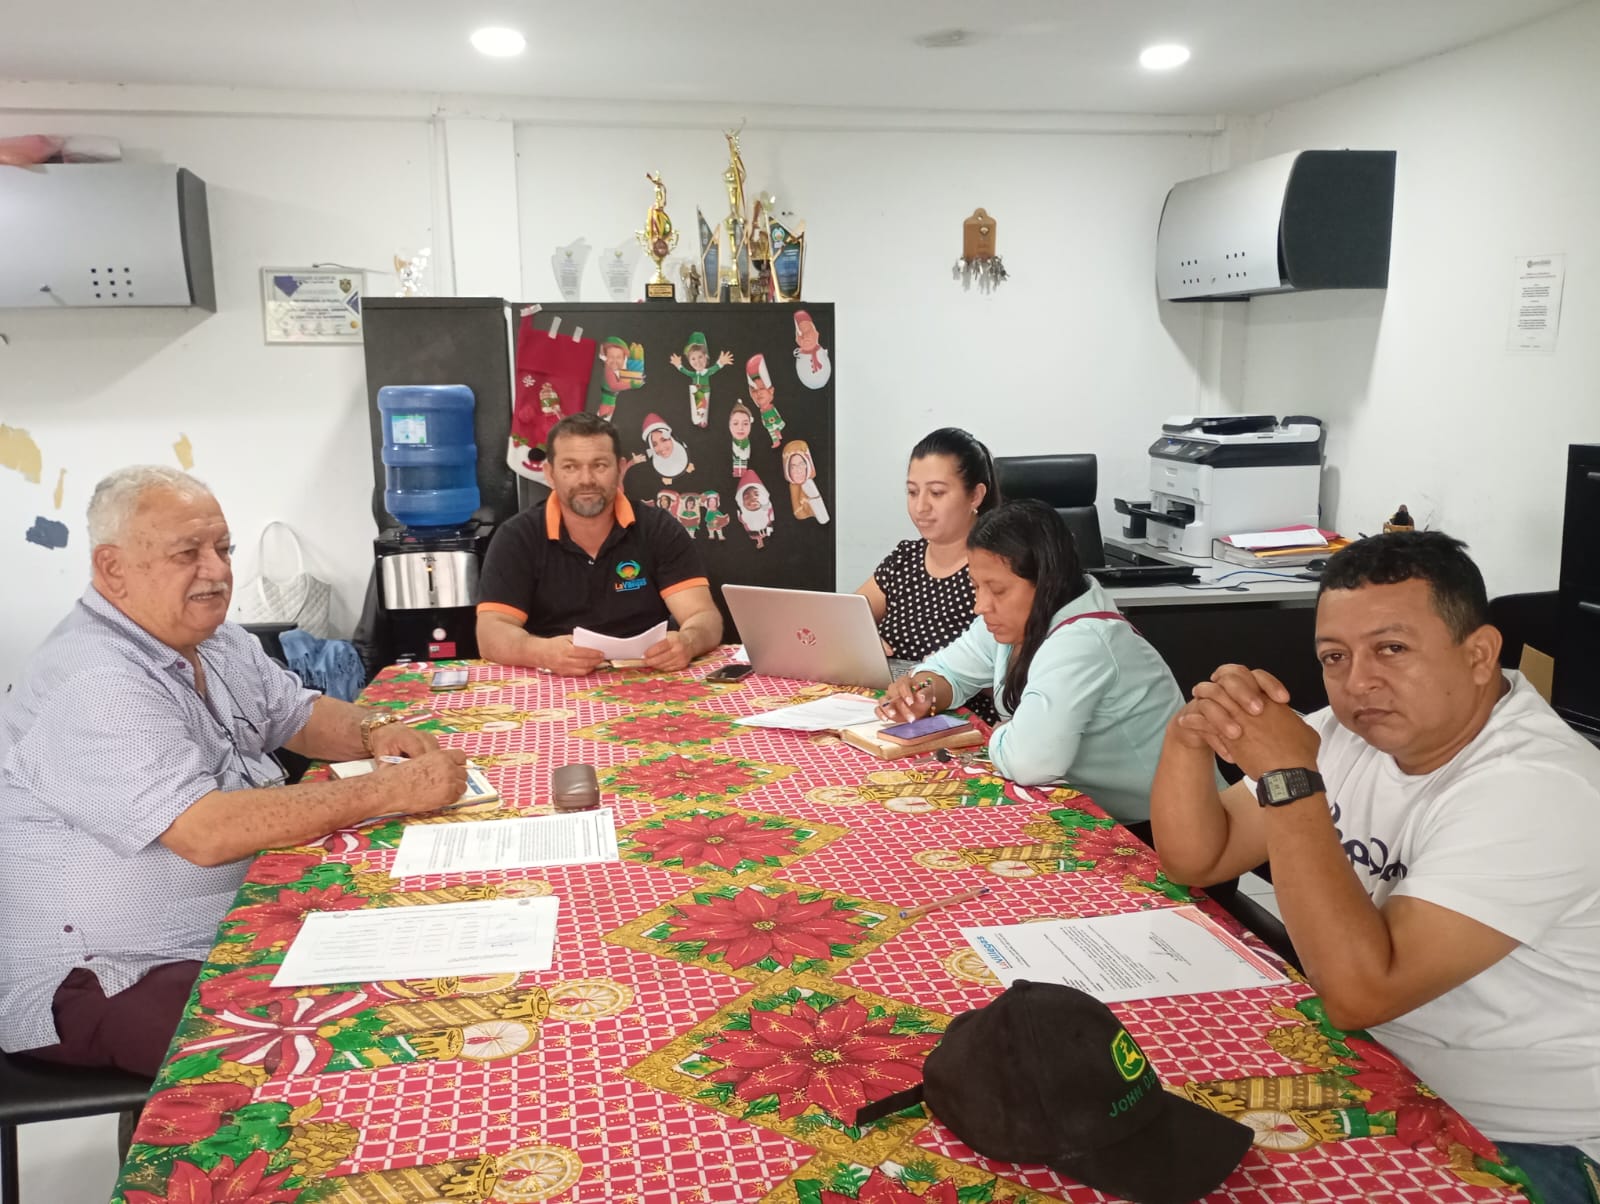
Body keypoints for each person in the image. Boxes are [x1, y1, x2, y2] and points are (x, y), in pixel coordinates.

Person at [1150, 532, 1600, 1196]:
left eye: (1391, 649)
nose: (1358, 683)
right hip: (1374, 1072)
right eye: (1335, 657)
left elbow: (1359, 994)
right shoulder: (1346, 734)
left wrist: (1290, 780)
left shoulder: (1540, 787)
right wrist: (1191, 735)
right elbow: (1200, 857)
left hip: (1515, 1137)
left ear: (1479, 655)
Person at [0, 467, 469, 1076]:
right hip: (114, 973)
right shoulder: (96, 679)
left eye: (223, 549)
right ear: (112, 568)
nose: (217, 570)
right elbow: (205, 831)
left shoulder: (213, 639)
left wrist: (374, 730)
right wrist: (387, 789)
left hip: (233, 925)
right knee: (354, 1048)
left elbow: (297, 714)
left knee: (430, 961)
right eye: (187, 554)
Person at [878, 499, 1187, 829]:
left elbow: (1029, 762)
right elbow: (949, 670)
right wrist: (924, 692)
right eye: (976, 587)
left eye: (997, 590)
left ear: (1046, 583)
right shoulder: (1015, 619)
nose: (980, 605)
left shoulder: (1084, 641)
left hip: (1156, 829)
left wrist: (1001, 732)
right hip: (1083, 810)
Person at [477, 412, 723, 675]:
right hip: (552, 681)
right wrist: (542, 652)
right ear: (549, 474)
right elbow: (491, 633)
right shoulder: (517, 536)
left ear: (620, 470)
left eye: (600, 465)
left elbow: (704, 617)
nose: (586, 479)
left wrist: (687, 642)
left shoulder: (659, 528)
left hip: (649, 679)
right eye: (570, 467)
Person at [857, 427, 998, 663]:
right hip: (890, 685)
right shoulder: (905, 558)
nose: (921, 506)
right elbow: (844, 619)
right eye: (912, 492)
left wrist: (949, 669)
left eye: (936, 492)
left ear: (975, 496)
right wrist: (862, 641)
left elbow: (1009, 663)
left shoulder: (996, 568)